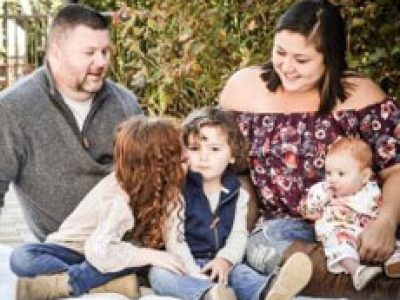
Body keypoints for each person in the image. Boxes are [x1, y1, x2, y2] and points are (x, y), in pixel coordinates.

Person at [219, 0, 400, 297]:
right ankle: (372, 287)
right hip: (282, 228)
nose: (287, 67)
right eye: (280, 52)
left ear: (329, 58)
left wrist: (386, 222)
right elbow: (228, 165)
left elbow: (396, 169)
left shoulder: (361, 96)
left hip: (355, 217)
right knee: (258, 248)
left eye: (302, 60)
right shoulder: (243, 88)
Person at [0, 4, 142, 241]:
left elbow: (150, 173)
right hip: (60, 246)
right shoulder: (14, 108)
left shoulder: (125, 102)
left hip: (123, 241)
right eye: (89, 53)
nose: (101, 62)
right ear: (56, 53)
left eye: (105, 52)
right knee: (23, 259)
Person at [10, 115, 189, 299]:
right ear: (153, 164)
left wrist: (197, 276)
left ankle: (74, 282)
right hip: (73, 250)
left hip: (112, 252)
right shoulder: (118, 195)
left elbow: (177, 245)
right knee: (22, 258)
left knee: (136, 259)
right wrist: (150, 255)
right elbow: (99, 251)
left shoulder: (170, 194)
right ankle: (100, 284)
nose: (188, 157)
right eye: (180, 158)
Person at [149, 106, 313, 300]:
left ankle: (269, 291)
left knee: (242, 275)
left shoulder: (238, 194)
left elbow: (238, 235)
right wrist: (195, 274)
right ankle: (209, 294)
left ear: (232, 154)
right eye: (194, 149)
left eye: (215, 149)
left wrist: (225, 260)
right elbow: (175, 240)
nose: (203, 157)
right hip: (184, 263)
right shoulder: (178, 191)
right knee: (159, 274)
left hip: (221, 263)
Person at [300, 137, 400, 291]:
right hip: (340, 230)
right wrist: (321, 195)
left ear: (364, 176)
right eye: (328, 173)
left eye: (341, 174)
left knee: (392, 243)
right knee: (340, 247)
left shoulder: (371, 190)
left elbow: (378, 209)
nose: (332, 179)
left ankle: (394, 263)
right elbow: (309, 212)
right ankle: (358, 272)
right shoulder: (323, 191)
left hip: (368, 232)